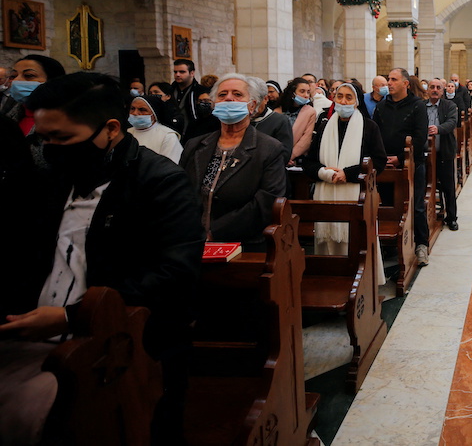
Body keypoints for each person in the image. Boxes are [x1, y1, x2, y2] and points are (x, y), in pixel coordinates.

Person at [0, 72, 203, 445]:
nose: (50, 149)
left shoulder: (159, 181)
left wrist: (69, 317)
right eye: (43, 139)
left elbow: (175, 273)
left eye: (63, 139)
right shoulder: (47, 179)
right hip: (26, 337)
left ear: (110, 128)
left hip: (122, 343)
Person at [180, 73, 287, 253]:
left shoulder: (269, 149)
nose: (229, 98)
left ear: (252, 105)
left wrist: (214, 232)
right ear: (214, 104)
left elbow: (265, 202)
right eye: (222, 95)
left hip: (243, 245)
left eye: (237, 94)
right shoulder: (195, 145)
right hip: (191, 242)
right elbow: (180, 191)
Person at [302, 82, 387, 257]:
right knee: (328, 244)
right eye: (340, 96)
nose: (344, 101)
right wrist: (324, 173)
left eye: (349, 97)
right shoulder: (324, 126)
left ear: (356, 101)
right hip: (326, 190)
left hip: (357, 192)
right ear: (333, 99)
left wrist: (347, 174)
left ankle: (360, 277)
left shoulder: (369, 127)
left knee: (356, 242)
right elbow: (308, 162)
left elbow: (378, 162)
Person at [374, 67, 430, 265]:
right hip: (386, 166)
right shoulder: (381, 107)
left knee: (416, 206)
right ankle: (392, 245)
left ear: (405, 84)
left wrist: (400, 157)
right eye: (388, 79)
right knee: (389, 204)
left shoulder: (418, 106)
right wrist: (381, 157)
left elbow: (420, 137)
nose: (389, 83)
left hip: (412, 163)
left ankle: (421, 245)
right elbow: (375, 134)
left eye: (393, 79)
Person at [1, 54, 67, 136]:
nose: (16, 80)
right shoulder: (11, 114)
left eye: (29, 75)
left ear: (52, 81)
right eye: (14, 76)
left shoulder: (68, 122)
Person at [426, 78, 460, 231]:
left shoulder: (449, 105)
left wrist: (438, 129)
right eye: (432, 87)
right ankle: (427, 216)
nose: (435, 90)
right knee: (426, 186)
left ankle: (451, 217)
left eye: (438, 87)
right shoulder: (420, 106)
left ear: (443, 90)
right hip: (424, 154)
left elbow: (452, 122)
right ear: (428, 90)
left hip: (444, 152)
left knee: (448, 187)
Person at [246, 76, 293, 163]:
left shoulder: (279, 121)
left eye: (254, 102)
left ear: (265, 99)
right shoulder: (239, 119)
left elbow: (284, 155)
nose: (251, 107)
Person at [127, 93, 183, 163]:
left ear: (154, 114)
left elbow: (170, 167)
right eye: (132, 108)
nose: (135, 113)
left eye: (142, 110)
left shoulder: (168, 136)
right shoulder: (126, 133)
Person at [275, 77, 318, 166]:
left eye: (308, 92)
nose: (306, 95)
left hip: (296, 158)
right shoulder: (278, 111)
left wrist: (289, 156)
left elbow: (305, 140)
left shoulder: (310, 112)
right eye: (302, 91)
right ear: (292, 92)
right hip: (276, 156)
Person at [170, 58, 208, 140]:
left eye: (182, 72)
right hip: (173, 134)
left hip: (194, 135)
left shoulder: (201, 91)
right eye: (175, 72)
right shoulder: (170, 91)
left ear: (192, 73)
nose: (177, 75)